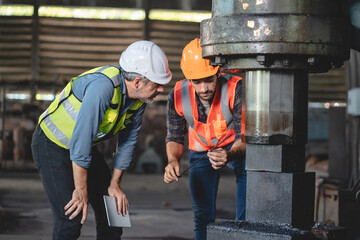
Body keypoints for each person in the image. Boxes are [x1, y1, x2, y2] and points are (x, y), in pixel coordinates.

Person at [31, 40, 172, 240]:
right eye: (157, 84)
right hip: (51, 144)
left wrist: (115, 184)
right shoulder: (102, 88)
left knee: (114, 213)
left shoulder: (139, 100)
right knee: (71, 217)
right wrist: (81, 190)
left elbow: (127, 143)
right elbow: (81, 142)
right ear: (138, 82)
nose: (160, 90)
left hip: (82, 148)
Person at [163, 38, 246, 240]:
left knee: (247, 210)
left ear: (218, 72)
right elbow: (174, 135)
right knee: (202, 216)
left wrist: (229, 154)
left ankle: (245, 231)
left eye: (209, 79)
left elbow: (245, 137)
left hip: (234, 146)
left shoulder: (236, 87)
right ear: (188, 78)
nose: (203, 88)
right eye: (196, 82)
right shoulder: (177, 95)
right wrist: (172, 161)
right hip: (201, 151)